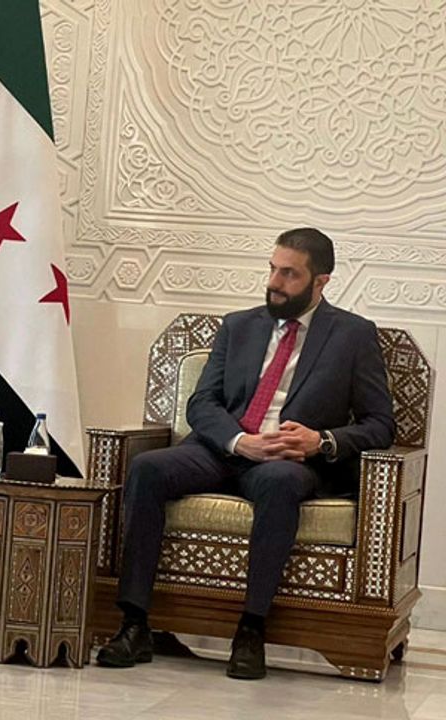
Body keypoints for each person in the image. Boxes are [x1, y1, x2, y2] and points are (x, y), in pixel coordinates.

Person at [96, 228, 395, 680]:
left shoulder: (352, 335)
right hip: (224, 449)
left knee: (279, 482)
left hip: (288, 462)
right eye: (272, 269)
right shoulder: (238, 326)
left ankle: (251, 629)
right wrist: (239, 440)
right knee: (147, 469)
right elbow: (202, 403)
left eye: (290, 274)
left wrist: (321, 440)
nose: (274, 282)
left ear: (321, 281)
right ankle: (134, 622)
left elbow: (380, 424)